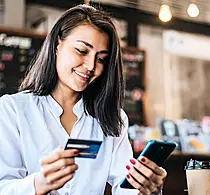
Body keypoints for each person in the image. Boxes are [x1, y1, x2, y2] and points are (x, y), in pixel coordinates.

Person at [0, 4, 167, 195]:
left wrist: (148, 188)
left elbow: (125, 189)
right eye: (81, 50)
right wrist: (38, 184)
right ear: (57, 45)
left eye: (101, 59)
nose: (90, 66)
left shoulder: (112, 119)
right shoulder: (12, 110)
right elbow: (3, 186)